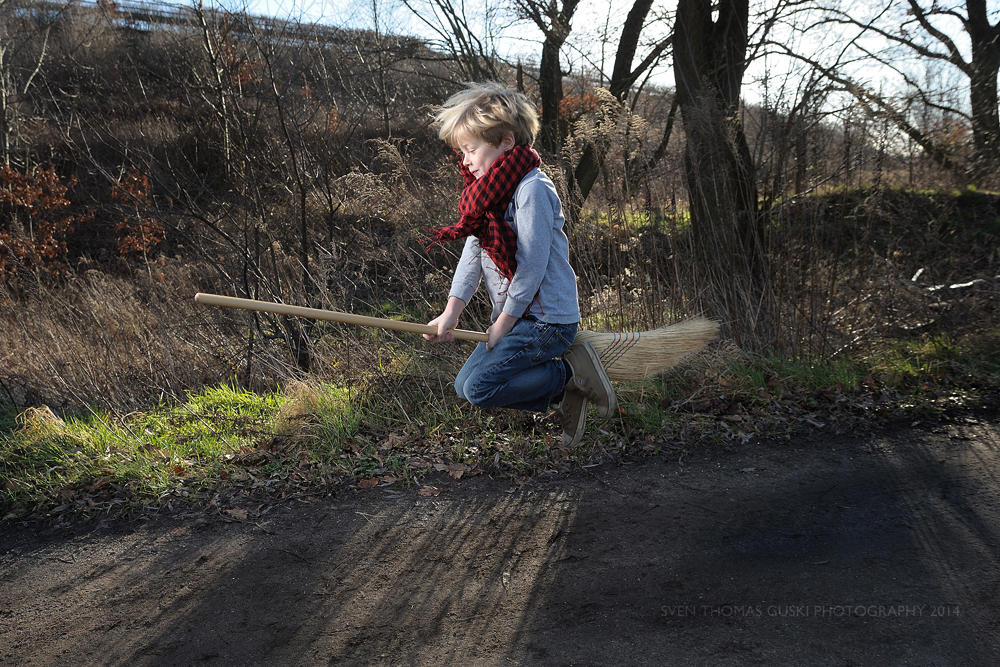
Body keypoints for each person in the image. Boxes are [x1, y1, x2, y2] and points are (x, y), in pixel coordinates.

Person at [422, 82, 616, 447]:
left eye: (471, 149)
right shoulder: (488, 194)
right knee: (464, 387)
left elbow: (532, 266)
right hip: (521, 318)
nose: (464, 160)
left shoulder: (533, 189)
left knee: (481, 387)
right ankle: (563, 395)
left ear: (506, 142)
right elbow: (473, 253)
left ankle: (568, 374)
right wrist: (451, 312)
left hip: (547, 321)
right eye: (462, 151)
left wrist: (504, 322)